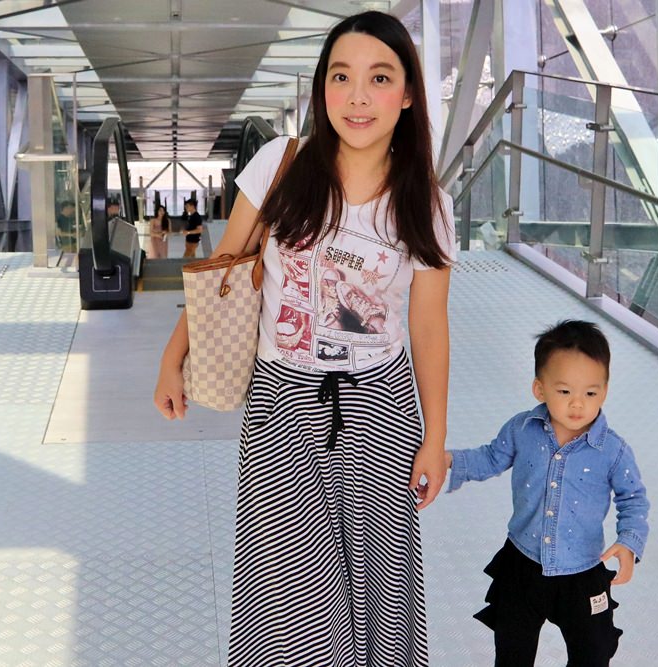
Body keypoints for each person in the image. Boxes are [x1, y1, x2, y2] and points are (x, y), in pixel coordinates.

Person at [153, 11, 456, 667]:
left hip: (381, 407)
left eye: (379, 78)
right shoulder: (280, 164)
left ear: (407, 94)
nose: (356, 96)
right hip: (280, 403)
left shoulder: (426, 200)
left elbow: (430, 324)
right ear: (322, 89)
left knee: (379, 583)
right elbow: (225, 270)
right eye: (340, 77)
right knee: (288, 588)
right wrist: (172, 357)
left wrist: (434, 435)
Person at [445, 320, 649, 667]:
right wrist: (448, 459)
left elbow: (633, 499)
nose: (577, 405)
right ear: (540, 389)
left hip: (584, 571)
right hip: (521, 563)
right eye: (564, 391)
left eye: (590, 393)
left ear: (605, 390)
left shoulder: (612, 450)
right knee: (511, 651)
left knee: (593, 653)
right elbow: (492, 458)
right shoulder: (522, 429)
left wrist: (628, 542)